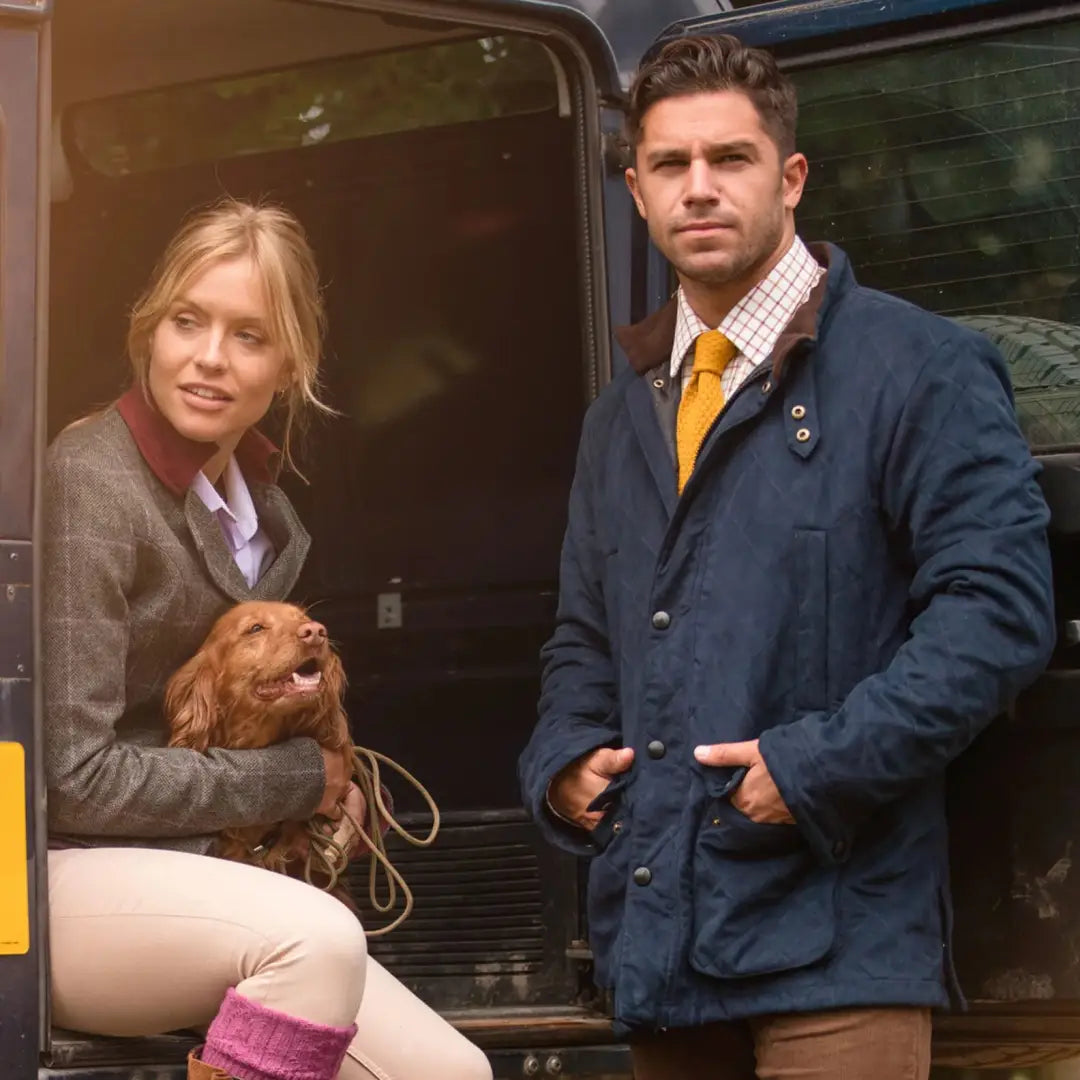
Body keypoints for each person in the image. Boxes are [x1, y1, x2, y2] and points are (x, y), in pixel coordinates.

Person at [519, 34, 1056, 1080]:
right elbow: (584, 636)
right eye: (671, 166)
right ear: (637, 192)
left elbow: (996, 616)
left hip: (840, 943)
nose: (700, 189)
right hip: (662, 941)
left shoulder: (921, 368)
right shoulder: (622, 414)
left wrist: (809, 770)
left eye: (732, 159)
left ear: (792, 176)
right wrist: (564, 762)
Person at [44, 199, 493, 1080]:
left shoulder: (271, 519)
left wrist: (334, 794)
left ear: (290, 363)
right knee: (318, 941)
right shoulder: (90, 480)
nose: (210, 357)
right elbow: (74, 777)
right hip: (55, 876)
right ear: (149, 330)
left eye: (249, 335)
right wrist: (299, 779)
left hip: (183, 869)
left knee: (455, 1074)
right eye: (187, 321)